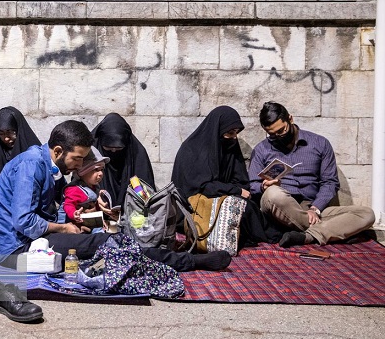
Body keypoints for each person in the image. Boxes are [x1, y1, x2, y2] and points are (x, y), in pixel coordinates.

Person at [0, 120, 231, 272]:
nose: (78, 167)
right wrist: (63, 229)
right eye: (77, 159)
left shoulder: (45, 164)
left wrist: (79, 219)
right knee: (109, 244)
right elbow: (24, 222)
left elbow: (45, 211)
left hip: (34, 241)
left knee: (113, 241)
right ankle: (190, 263)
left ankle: (174, 259)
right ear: (58, 151)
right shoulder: (31, 166)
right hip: (17, 252)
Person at [248, 101, 375, 247]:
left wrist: (315, 208)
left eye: (281, 131)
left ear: (290, 119)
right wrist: (265, 187)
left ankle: (306, 236)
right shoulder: (261, 149)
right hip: (280, 208)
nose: (278, 137)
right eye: (272, 134)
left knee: (366, 214)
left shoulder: (320, 144)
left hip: (312, 208)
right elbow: (252, 185)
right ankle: (329, 231)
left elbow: (330, 182)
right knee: (273, 194)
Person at [171, 106, 281, 247]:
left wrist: (235, 191)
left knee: (247, 206)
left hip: (222, 197)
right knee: (245, 209)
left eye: (236, 133)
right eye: (230, 133)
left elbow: (240, 179)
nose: (234, 137)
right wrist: (235, 191)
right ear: (218, 130)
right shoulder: (192, 150)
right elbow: (201, 187)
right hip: (196, 207)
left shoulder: (230, 147)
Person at [91, 113, 155, 206]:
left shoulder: (136, 154)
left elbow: (144, 191)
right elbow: (80, 187)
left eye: (119, 149)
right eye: (108, 148)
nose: (113, 151)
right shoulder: (90, 152)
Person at [57, 146, 118, 233]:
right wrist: (74, 213)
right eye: (96, 169)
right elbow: (68, 205)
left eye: (102, 169)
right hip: (70, 225)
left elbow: (95, 205)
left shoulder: (93, 187)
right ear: (83, 172)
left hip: (87, 221)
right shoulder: (74, 189)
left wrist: (101, 220)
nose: (100, 173)